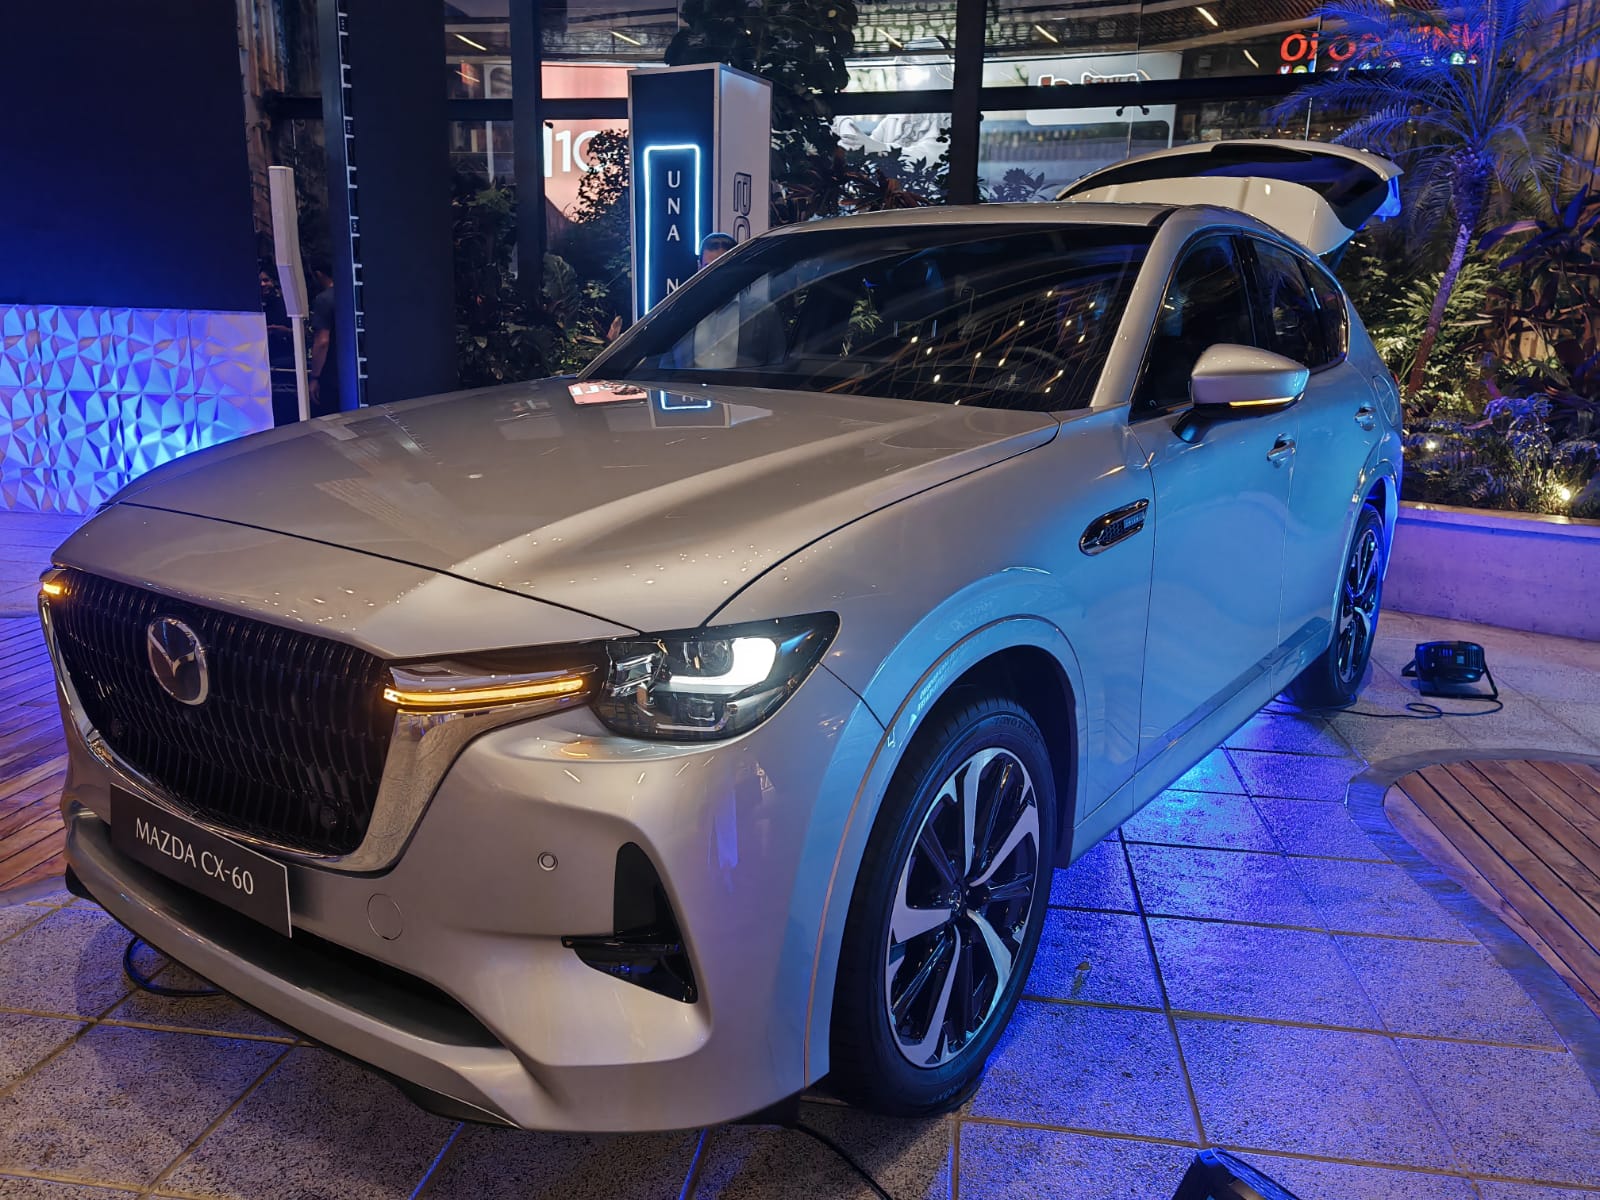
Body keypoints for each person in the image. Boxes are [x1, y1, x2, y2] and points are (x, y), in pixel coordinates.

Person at [307, 260, 340, 416]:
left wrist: (315, 377)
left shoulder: (324, 299)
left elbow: (322, 341)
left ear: (319, 274)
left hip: (330, 373)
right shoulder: (352, 295)